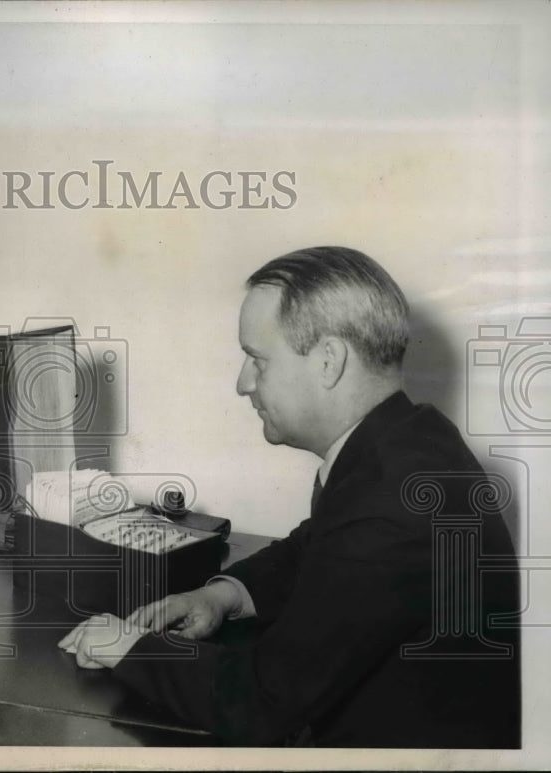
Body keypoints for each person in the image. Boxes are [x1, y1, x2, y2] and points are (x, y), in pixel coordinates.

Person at [59, 246, 520, 748]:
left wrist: (128, 647)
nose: (243, 383)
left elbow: (262, 704)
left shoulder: (393, 505)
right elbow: (319, 542)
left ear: (328, 361)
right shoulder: (407, 441)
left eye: (258, 359)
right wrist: (222, 596)